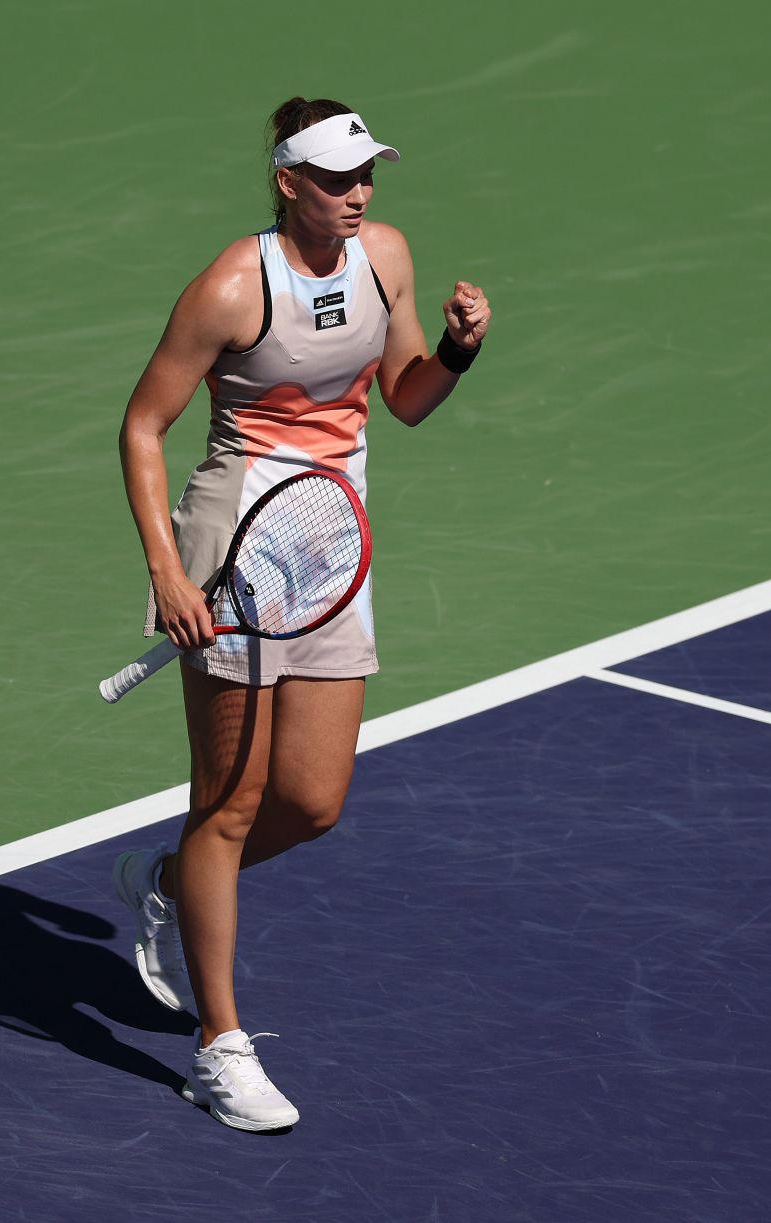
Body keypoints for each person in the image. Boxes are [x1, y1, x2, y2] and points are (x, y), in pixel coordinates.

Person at [112, 97, 491, 1133]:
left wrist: (456, 351)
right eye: (335, 178)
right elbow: (143, 426)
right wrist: (170, 573)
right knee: (227, 802)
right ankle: (217, 1047)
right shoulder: (235, 285)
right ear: (288, 182)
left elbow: (405, 398)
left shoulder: (388, 257)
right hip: (233, 540)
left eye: (367, 173)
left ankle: (173, 875)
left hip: (329, 539)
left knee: (314, 800)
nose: (357, 192)